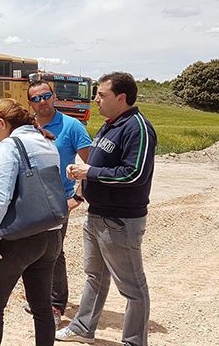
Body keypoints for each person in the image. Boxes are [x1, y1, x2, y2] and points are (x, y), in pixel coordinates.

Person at [56, 72, 157, 345]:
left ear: (121, 98)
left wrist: (90, 172)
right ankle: (83, 328)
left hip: (120, 219)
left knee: (132, 287)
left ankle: (134, 341)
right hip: (97, 214)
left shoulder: (137, 128)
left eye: (102, 95)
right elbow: (99, 165)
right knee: (95, 276)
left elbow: (134, 174)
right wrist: (82, 180)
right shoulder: (110, 125)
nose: (96, 100)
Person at [0, 98, 64, 346]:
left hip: (19, 238)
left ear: (2, 123)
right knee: (42, 307)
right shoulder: (47, 141)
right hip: (51, 235)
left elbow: (1, 195)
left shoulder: (10, 146)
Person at [24, 80, 92, 327]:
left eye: (45, 96)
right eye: (36, 98)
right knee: (30, 249)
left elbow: (92, 165)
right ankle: (37, 297)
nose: (42, 102)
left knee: (53, 251)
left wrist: (78, 196)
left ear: (54, 96)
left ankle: (55, 304)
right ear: (30, 103)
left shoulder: (72, 126)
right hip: (29, 200)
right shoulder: (26, 127)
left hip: (57, 200)